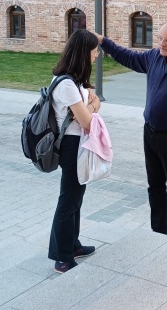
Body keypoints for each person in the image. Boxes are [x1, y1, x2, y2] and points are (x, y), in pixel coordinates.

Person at [95, 21, 167, 239]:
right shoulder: (154, 58)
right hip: (150, 134)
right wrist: (103, 42)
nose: (161, 44)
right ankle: (157, 232)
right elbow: (128, 57)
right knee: (154, 186)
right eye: (159, 39)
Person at [48, 29, 101, 273]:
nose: (97, 55)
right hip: (70, 147)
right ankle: (62, 257)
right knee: (68, 201)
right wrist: (92, 103)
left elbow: (89, 109)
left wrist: (90, 104)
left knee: (76, 200)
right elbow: (88, 120)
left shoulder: (75, 81)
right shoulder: (66, 84)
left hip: (78, 145)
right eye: (94, 51)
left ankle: (73, 245)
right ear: (83, 53)